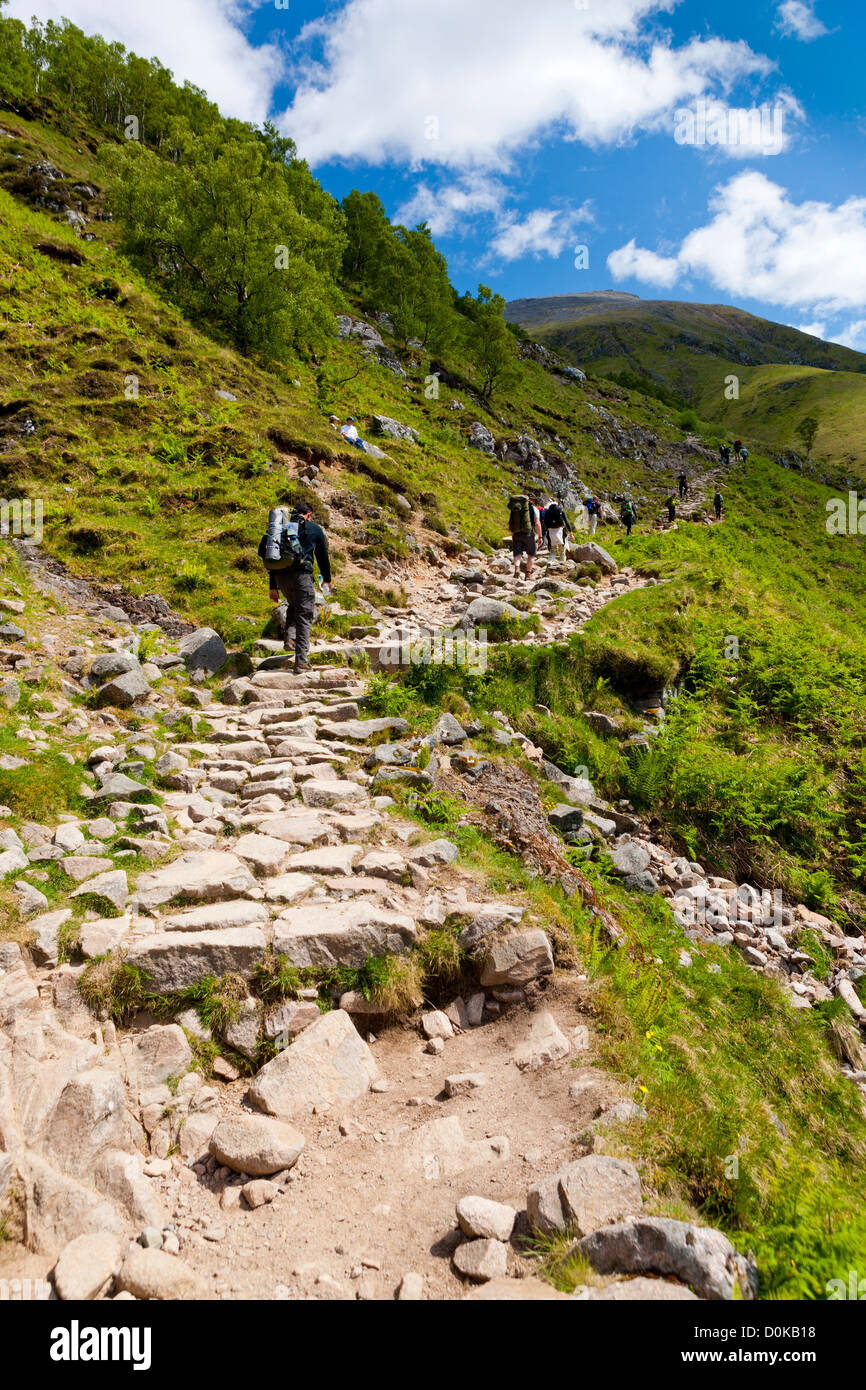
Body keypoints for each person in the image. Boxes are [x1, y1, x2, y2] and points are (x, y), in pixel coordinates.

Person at [262, 503, 332, 673]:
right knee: (305, 614)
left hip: (280, 577)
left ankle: (290, 639)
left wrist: (273, 587)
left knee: (294, 605)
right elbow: (322, 556)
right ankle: (301, 661)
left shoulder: (280, 529)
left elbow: (271, 556)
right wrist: (326, 580)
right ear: (308, 514)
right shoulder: (313, 529)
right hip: (302, 576)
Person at [508, 494, 542, 578]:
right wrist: (540, 536)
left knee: (517, 554)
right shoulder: (534, 509)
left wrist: (513, 535)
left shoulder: (515, 509)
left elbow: (511, 523)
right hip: (528, 533)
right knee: (531, 554)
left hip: (516, 533)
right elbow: (537, 523)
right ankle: (528, 574)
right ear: (531, 501)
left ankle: (517, 568)